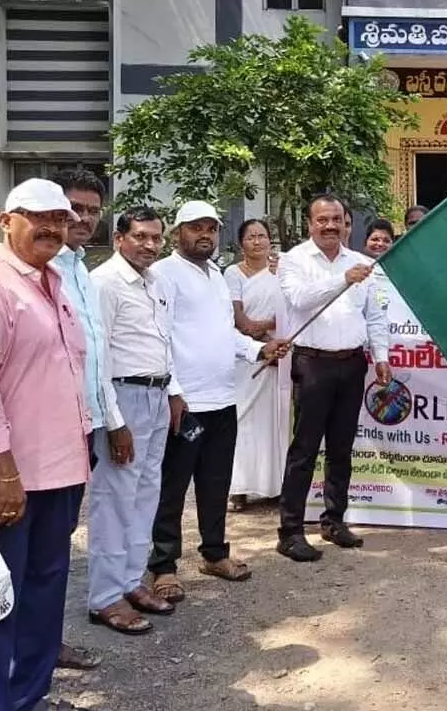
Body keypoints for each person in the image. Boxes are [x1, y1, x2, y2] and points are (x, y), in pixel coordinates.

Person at [0, 178, 92, 711]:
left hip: (63, 468)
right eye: (38, 217)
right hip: (14, 477)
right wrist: (2, 469)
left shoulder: (56, 281)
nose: (52, 227)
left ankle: (29, 696)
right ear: (5, 222)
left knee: (46, 591)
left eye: (60, 218)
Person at [147, 202, 289, 603]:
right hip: (186, 403)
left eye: (211, 227)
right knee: (172, 486)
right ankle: (163, 565)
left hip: (223, 398)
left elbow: (226, 333)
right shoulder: (163, 275)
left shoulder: (215, 276)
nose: (205, 234)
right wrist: (173, 391)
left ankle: (213, 553)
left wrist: (259, 350)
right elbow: (159, 339)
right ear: (178, 233)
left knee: (215, 482)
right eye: (196, 227)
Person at [277, 194, 391, 562]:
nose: (329, 226)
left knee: (341, 447)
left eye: (336, 219)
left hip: (352, 364)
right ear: (309, 223)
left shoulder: (361, 263)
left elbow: (374, 316)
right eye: (322, 219)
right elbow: (299, 300)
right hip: (312, 364)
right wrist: (342, 280)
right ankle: (290, 531)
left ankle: (334, 519)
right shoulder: (294, 260)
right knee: (305, 448)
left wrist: (381, 356)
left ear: (347, 224)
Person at [86, 206, 179, 636]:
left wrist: (173, 391)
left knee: (146, 494)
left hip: (157, 395)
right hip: (123, 398)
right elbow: (98, 357)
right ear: (120, 237)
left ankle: (130, 581)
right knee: (115, 498)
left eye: (155, 237)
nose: (149, 245)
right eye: (140, 236)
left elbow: (162, 342)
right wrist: (114, 420)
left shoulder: (155, 282)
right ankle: (105, 597)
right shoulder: (104, 283)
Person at [47, 169, 111, 669]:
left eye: (92, 210)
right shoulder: (34, 274)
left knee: (58, 542)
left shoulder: (81, 271)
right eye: (75, 208)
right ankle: (29, 651)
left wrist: (108, 418)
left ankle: (44, 643)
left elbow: (96, 355)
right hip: (42, 433)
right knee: (35, 551)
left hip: (81, 424)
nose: (83, 218)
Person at [224, 219, 288, 510]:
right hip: (245, 357)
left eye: (263, 236)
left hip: (277, 357)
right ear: (241, 244)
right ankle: (238, 488)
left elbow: (292, 310)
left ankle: (273, 486)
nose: (258, 242)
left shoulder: (281, 272)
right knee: (242, 422)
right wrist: (265, 334)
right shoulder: (232, 273)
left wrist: (275, 336)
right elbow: (241, 322)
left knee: (273, 423)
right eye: (251, 237)